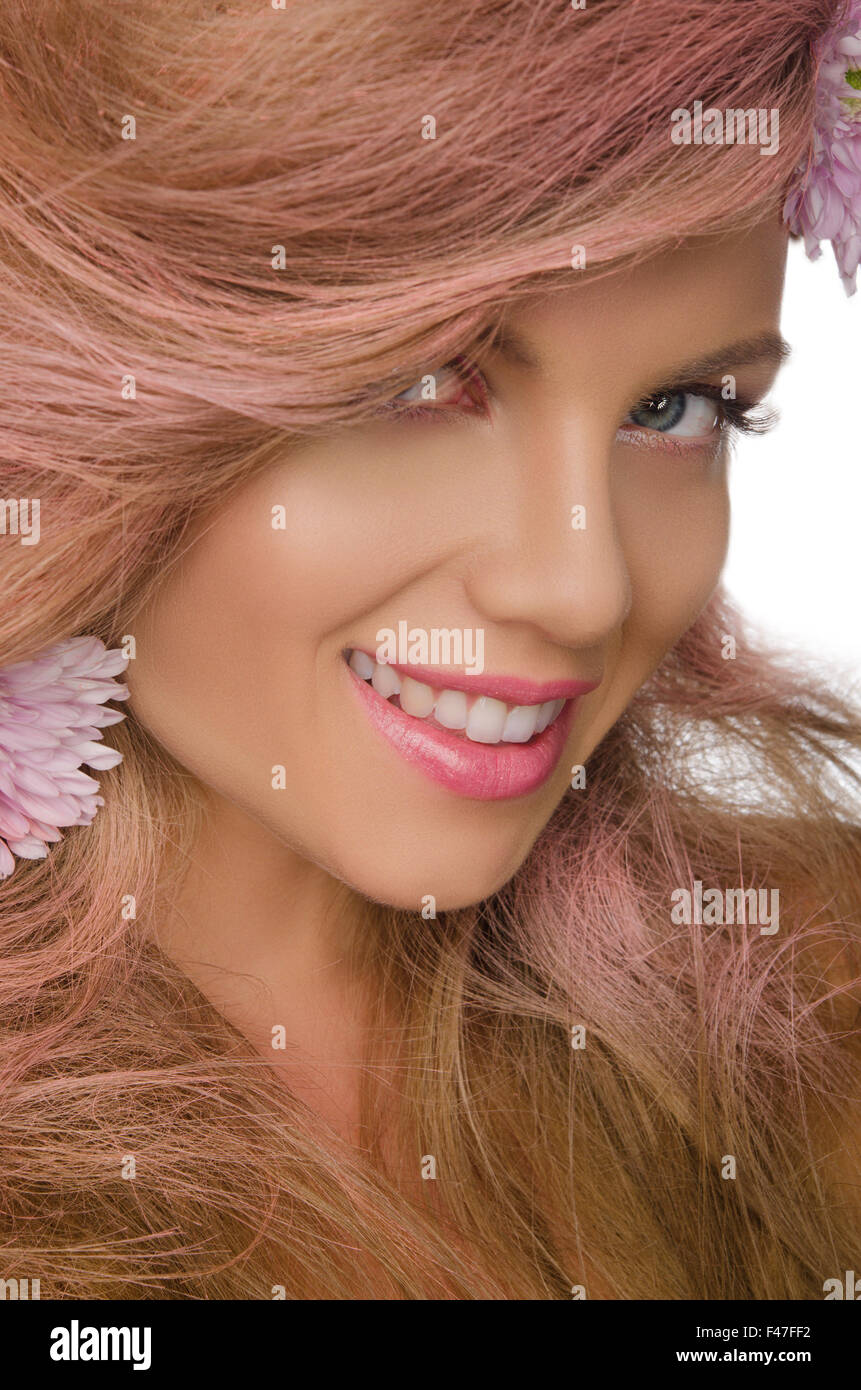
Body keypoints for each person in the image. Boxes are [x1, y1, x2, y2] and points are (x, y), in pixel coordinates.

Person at [0, 0, 859, 1299]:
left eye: (676, 409)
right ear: (85, 380)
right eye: (415, 381)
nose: (581, 587)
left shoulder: (821, 999)